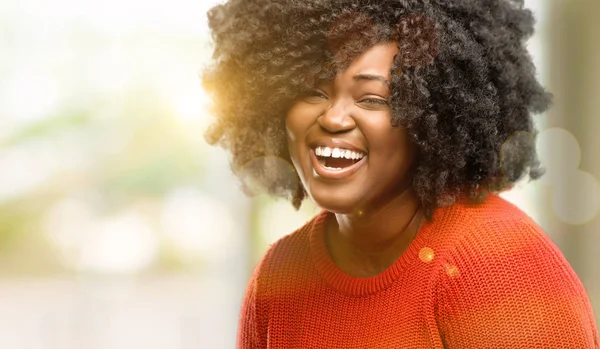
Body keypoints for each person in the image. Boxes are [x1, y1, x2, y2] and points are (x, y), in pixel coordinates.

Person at [203, 0, 599, 347]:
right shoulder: (279, 279)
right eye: (313, 92)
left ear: (432, 115)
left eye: (373, 98)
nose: (334, 118)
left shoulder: (500, 265)